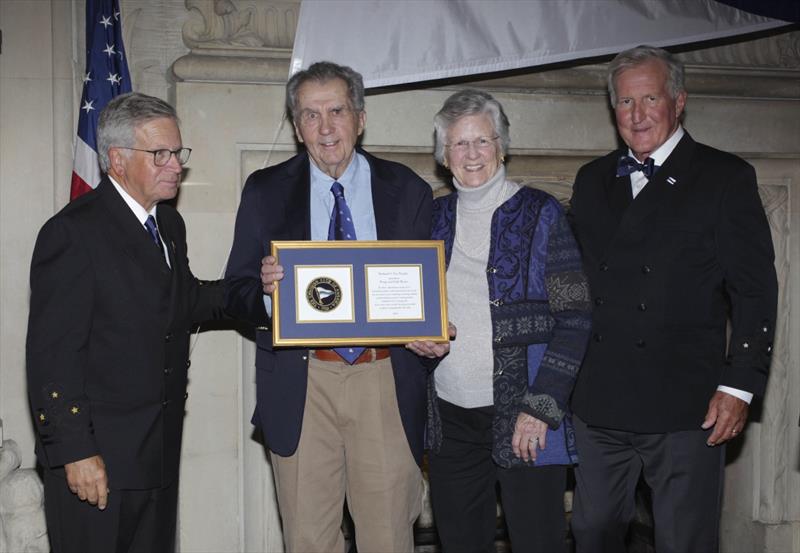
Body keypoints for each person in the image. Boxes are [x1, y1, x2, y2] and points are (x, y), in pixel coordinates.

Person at [568, 45, 778, 552]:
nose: (636, 115)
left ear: (678, 101)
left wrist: (740, 385)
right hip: (602, 400)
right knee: (591, 530)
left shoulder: (724, 177)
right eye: (624, 102)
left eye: (649, 99)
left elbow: (754, 289)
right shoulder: (592, 180)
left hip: (688, 403)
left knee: (685, 541)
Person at [224, 61, 435, 553]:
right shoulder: (264, 190)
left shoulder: (408, 189)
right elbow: (234, 289)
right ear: (297, 128)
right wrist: (265, 292)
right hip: (303, 384)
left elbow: (426, 288)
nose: (326, 127)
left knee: (388, 537)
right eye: (311, 115)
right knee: (308, 541)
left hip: (384, 378)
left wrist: (433, 326)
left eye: (336, 110)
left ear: (360, 118)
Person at [26, 92, 225, 552]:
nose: (176, 165)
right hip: (97, 463)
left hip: (156, 454)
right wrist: (74, 450)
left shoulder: (168, 226)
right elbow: (52, 356)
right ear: (117, 160)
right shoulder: (73, 233)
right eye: (161, 154)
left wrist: (266, 292)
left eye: (178, 153)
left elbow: (185, 301)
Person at [408, 89, 592, 553]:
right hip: (450, 420)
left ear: (502, 146)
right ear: (444, 156)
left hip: (524, 415)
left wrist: (542, 405)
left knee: (537, 542)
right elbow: (410, 304)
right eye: (458, 144)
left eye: (482, 141)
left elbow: (575, 316)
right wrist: (415, 336)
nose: (471, 154)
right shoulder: (430, 217)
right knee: (460, 542)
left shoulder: (542, 212)